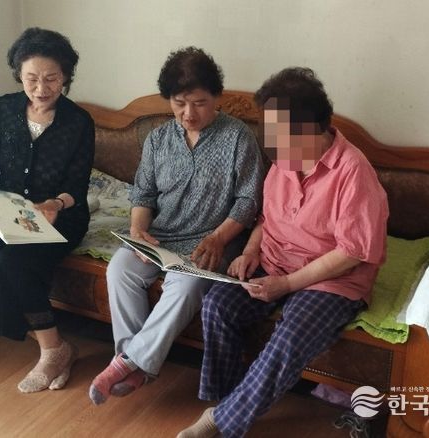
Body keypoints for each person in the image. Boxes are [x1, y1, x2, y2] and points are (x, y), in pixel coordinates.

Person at [178, 67, 389, 437]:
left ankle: (220, 422)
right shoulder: (283, 160)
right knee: (217, 306)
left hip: (330, 278)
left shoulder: (353, 171)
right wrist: (251, 251)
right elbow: (266, 217)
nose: (277, 147)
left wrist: (288, 284)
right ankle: (228, 401)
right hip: (275, 261)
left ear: (316, 128)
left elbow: (352, 253)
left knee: (291, 334)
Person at [88, 47, 265, 405]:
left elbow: (249, 201)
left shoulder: (238, 137)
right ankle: (134, 363)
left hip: (212, 240)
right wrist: (138, 230)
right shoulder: (158, 139)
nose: (189, 113)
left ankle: (127, 363)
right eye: (179, 103)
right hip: (162, 235)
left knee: (185, 286)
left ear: (217, 98)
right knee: (120, 269)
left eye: (199, 103)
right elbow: (144, 193)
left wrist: (218, 238)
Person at [0, 27, 95, 393]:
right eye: (32, 78)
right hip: (11, 215)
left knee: (10, 265)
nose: (41, 88)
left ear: (65, 76)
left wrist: (54, 204)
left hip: (61, 217)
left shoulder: (79, 121)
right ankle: (59, 345)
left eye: (51, 78)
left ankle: (52, 352)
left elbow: (77, 187)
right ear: (19, 75)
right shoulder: (5, 108)